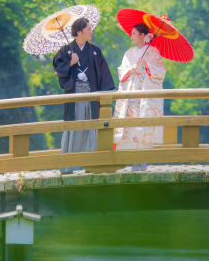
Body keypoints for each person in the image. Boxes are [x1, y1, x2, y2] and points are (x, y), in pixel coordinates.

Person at [53, 17, 115, 173]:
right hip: (74, 96)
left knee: (91, 127)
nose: (91, 31)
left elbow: (104, 74)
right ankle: (69, 165)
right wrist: (70, 63)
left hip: (91, 94)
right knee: (74, 127)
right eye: (88, 29)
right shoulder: (66, 51)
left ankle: (90, 165)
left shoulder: (95, 51)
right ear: (79, 32)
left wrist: (105, 95)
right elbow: (57, 68)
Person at [114, 23, 166, 170]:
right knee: (130, 127)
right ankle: (133, 161)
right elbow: (121, 71)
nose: (131, 36)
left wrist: (146, 65)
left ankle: (143, 160)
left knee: (142, 125)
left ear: (142, 35)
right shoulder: (128, 54)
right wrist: (132, 69)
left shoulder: (153, 52)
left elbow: (160, 72)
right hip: (131, 96)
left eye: (134, 33)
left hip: (145, 96)